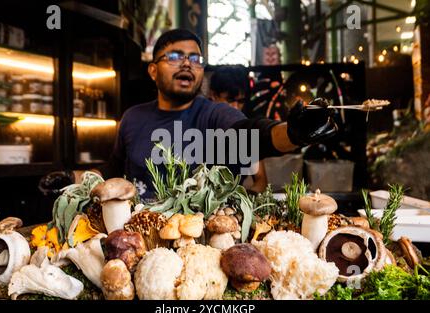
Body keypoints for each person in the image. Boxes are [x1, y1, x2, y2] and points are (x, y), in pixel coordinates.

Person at [39, 28, 338, 200]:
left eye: (195, 58)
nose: (187, 64)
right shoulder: (132, 118)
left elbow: (251, 135)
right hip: (137, 243)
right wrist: (72, 177)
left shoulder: (215, 115)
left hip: (202, 250)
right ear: (153, 70)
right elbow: (111, 172)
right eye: (174, 56)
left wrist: (293, 132)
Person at [208, 65, 268, 194]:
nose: (235, 107)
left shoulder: (246, 130)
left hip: (230, 208)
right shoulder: (200, 123)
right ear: (213, 95)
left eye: (240, 101)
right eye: (230, 100)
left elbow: (261, 181)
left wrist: (242, 200)